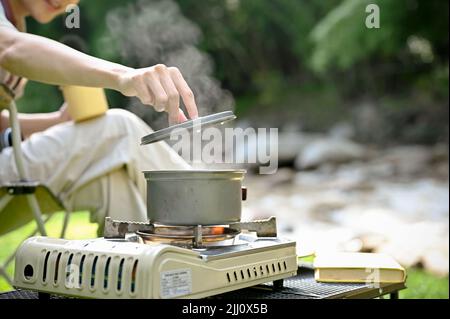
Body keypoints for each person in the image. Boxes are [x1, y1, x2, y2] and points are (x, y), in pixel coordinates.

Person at [0, 0, 196, 230]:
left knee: (114, 182)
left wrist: (57, 122)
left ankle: (142, 263)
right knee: (120, 128)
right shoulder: (11, 35)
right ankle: (216, 225)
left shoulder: (14, 23)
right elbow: (9, 47)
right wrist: (124, 76)